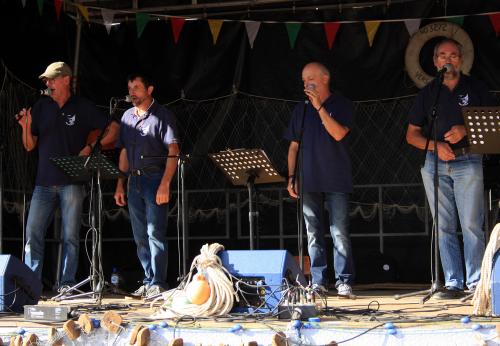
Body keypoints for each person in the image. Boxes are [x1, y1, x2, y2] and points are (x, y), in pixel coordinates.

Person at [406, 38, 497, 298]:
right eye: (442, 55)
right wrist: (435, 145)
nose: (448, 59)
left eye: (453, 55)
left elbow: (495, 125)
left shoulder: (476, 88)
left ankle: (476, 282)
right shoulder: (428, 94)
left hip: (468, 159)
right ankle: (453, 282)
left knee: (470, 223)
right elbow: (412, 135)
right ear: (435, 62)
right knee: (443, 225)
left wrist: (465, 129)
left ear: (461, 59)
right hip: (435, 163)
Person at [17, 61, 118, 291]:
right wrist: (25, 125)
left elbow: (114, 129)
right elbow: (29, 146)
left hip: (72, 182)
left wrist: (92, 147)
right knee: (33, 234)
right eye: (46, 81)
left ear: (65, 80)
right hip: (43, 183)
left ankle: (67, 284)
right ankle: (31, 285)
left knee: (70, 236)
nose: (48, 83)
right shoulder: (41, 107)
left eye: (52, 79)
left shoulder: (82, 107)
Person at [285, 62, 355, 297]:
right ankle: (318, 280)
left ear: (325, 78)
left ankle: (343, 280)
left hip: (336, 177)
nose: (306, 84)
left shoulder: (341, 104)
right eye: (303, 80)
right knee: (313, 232)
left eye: (310, 79)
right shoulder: (300, 109)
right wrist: (292, 176)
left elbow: (338, 133)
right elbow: (293, 147)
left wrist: (319, 108)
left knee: (339, 232)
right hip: (309, 179)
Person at [114, 73, 180, 299]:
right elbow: (123, 151)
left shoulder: (163, 116)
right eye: (130, 87)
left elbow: (173, 152)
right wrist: (120, 183)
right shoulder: (126, 117)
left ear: (149, 90)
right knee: (139, 234)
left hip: (154, 178)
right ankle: (148, 278)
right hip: (133, 180)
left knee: (155, 232)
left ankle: (159, 283)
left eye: (137, 87)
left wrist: (165, 184)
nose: (133, 92)